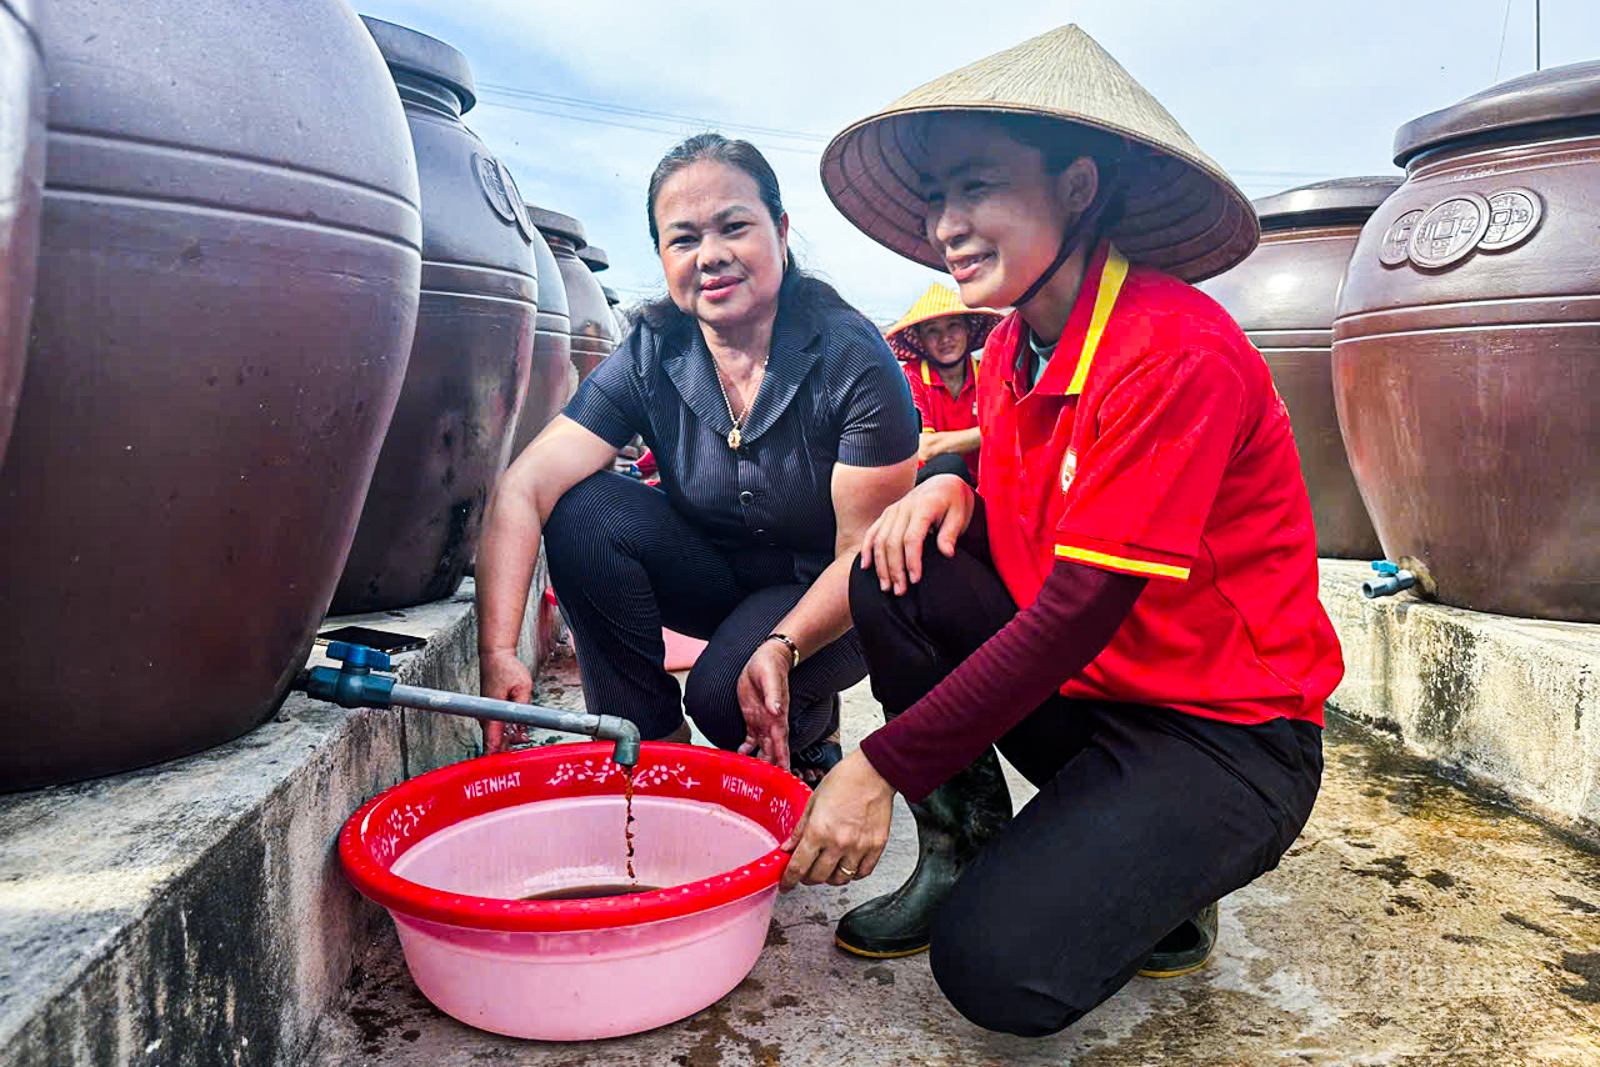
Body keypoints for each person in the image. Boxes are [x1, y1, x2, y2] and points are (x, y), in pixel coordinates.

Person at [781, 24, 1344, 1037]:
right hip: (1098, 700)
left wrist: (876, 764)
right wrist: (957, 489)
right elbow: (1043, 498)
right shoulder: (1009, 352)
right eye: (937, 197)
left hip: (1225, 736)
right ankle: (966, 845)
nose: (947, 223)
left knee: (996, 973)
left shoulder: (1175, 349)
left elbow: (1078, 608)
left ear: (1077, 187)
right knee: (896, 568)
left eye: (976, 187)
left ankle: (1171, 866)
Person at [474, 133, 917, 784]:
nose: (710, 256)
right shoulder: (656, 350)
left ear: (781, 230)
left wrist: (781, 645)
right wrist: (497, 650)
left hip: (836, 592)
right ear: (662, 254)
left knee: (725, 695)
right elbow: (524, 488)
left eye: (734, 226)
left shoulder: (851, 357)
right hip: (716, 574)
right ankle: (646, 749)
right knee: (583, 510)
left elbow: (862, 560)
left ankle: (809, 728)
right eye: (683, 239)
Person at [884, 285, 1001, 486]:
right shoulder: (911, 378)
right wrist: (995, 431)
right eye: (932, 331)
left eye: (953, 325)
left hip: (983, 487)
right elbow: (925, 448)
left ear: (967, 329)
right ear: (920, 340)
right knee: (951, 465)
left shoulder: (989, 373)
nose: (945, 338)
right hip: (927, 488)